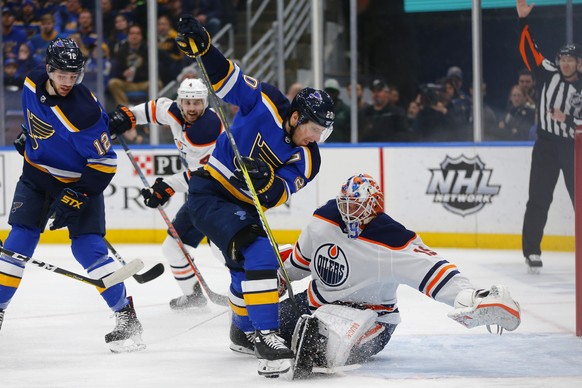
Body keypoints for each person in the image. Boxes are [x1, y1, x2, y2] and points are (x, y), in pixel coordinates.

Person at [174, 15, 335, 378]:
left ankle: (241, 330)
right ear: (295, 117)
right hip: (209, 191)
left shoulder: (310, 158)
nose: (316, 137)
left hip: (245, 204)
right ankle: (266, 336)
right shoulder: (266, 101)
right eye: (313, 129)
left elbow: (278, 193)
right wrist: (205, 49)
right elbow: (227, 79)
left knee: (241, 267)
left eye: (322, 133)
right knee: (260, 252)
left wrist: (264, 183)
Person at [276, 173, 521, 378]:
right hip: (316, 305)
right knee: (261, 327)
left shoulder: (391, 239)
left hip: (372, 317)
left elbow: (432, 269)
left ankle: (316, 342)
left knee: (327, 350)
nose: (349, 212)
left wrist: (470, 297)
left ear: (373, 207)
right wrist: (278, 274)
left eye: (356, 206)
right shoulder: (323, 219)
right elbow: (300, 260)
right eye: (346, 205)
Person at [0, 38, 145, 353]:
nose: (67, 81)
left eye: (74, 75)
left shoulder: (84, 113)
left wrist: (79, 194)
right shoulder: (30, 80)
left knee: (88, 250)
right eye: (62, 74)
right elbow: (35, 116)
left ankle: (126, 316)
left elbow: (105, 163)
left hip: (80, 182)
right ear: (49, 69)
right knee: (17, 245)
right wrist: (30, 135)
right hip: (37, 176)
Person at [108, 78, 223, 310]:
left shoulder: (206, 130)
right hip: (199, 197)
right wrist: (126, 118)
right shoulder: (174, 111)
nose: (192, 109)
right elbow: (153, 109)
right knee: (173, 247)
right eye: (187, 102)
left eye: (197, 103)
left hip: (222, 197)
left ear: (205, 103)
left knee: (224, 254)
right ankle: (193, 297)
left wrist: (167, 186)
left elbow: (206, 176)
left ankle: (257, 292)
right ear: (180, 102)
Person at [516, 0, 581, 273]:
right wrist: (522, 21)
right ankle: (532, 250)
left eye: (571, 60)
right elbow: (528, 51)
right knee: (539, 198)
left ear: (579, 63)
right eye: (563, 59)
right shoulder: (547, 73)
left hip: (574, 147)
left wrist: (565, 118)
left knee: (580, 199)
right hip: (545, 145)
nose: (566, 64)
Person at [324, 78, 350, 143]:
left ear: (338, 93)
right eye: (328, 91)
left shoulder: (346, 110)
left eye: (332, 91)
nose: (330, 94)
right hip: (324, 147)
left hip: (343, 147)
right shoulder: (320, 110)